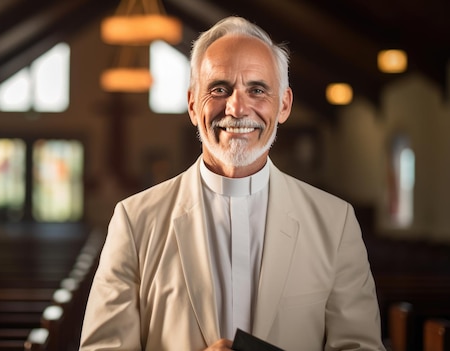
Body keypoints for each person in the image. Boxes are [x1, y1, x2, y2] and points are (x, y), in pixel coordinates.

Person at [79, 15, 386, 351]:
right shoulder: (135, 220)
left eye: (257, 89)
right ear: (194, 105)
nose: (237, 107)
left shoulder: (334, 222)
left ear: (284, 104)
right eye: (219, 89)